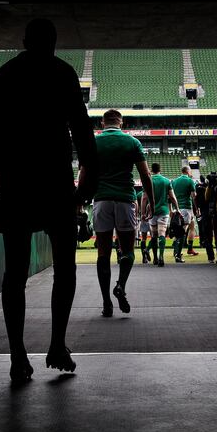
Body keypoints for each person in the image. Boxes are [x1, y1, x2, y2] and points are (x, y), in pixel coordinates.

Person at [0, 18, 98, 382]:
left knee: (14, 272)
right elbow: (81, 128)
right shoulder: (62, 73)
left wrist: (2, 175)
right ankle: (58, 344)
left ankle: (18, 355)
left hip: (16, 183)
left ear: (24, 40)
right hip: (55, 182)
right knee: (65, 266)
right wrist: (88, 179)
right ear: (54, 41)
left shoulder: (3, 76)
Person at [92, 109, 154, 317]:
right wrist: (151, 202)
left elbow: (84, 173)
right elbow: (145, 175)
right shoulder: (132, 142)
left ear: (102, 123)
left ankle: (106, 303)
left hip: (101, 200)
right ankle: (121, 286)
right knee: (127, 250)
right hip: (125, 200)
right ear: (121, 123)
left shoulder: (94, 142)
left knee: (103, 252)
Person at [145, 163, 178, 267]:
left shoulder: (148, 180)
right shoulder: (166, 181)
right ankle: (161, 257)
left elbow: (145, 198)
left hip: (152, 212)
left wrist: (143, 212)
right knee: (162, 234)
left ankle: (152, 256)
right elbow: (172, 197)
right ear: (160, 169)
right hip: (163, 211)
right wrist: (177, 208)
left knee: (154, 235)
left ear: (152, 169)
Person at [170, 166, 197, 263]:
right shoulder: (190, 181)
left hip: (177, 208)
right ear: (188, 171)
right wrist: (196, 208)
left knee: (192, 225)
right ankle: (177, 254)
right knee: (182, 231)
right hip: (186, 207)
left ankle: (189, 248)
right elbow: (194, 196)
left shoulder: (174, 181)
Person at [195, 174, 216, 263]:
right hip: (213, 213)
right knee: (214, 236)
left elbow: (197, 201)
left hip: (206, 213)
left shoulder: (199, 189)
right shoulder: (212, 188)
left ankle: (211, 257)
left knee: (208, 237)